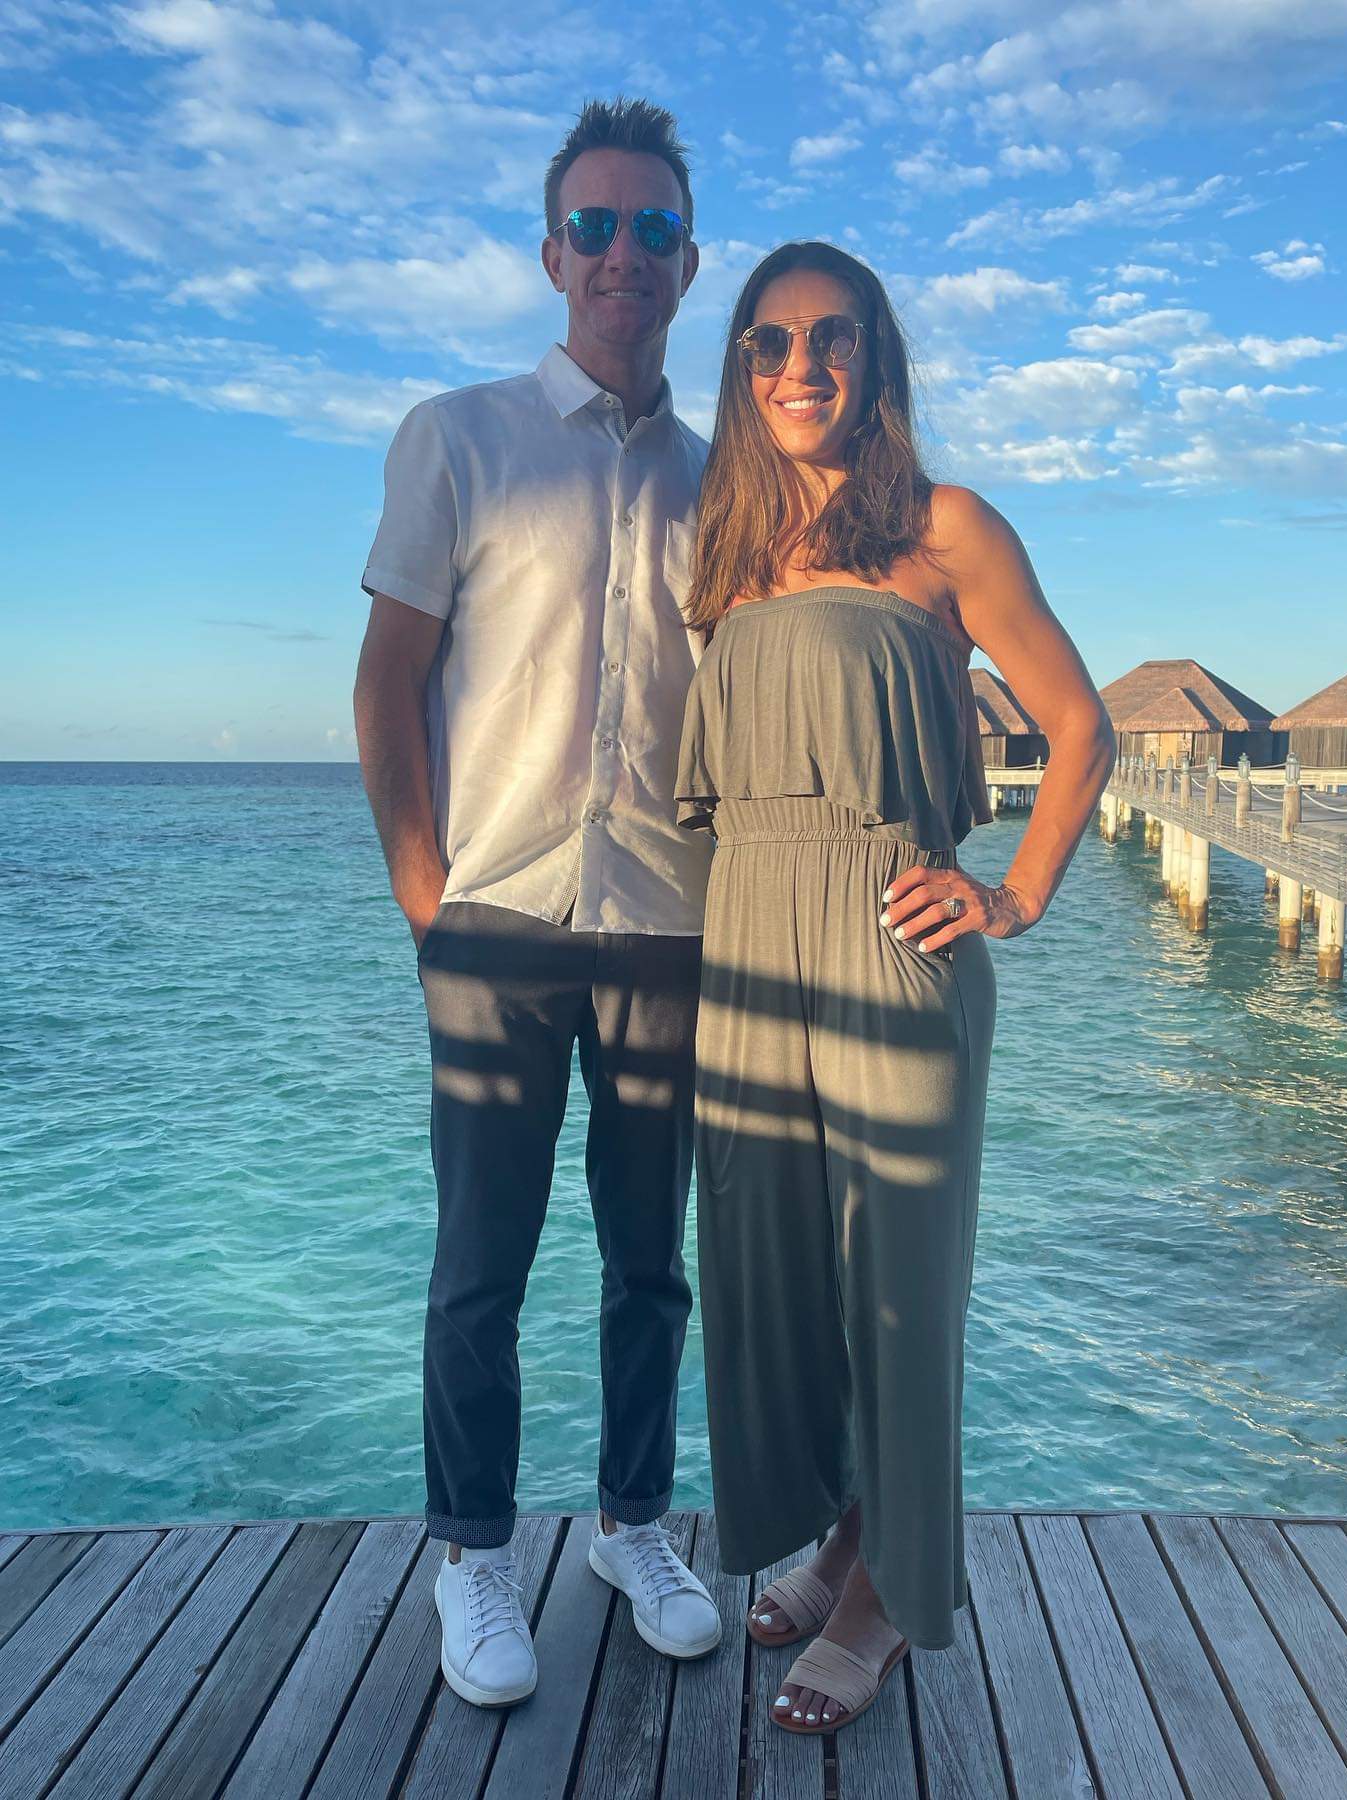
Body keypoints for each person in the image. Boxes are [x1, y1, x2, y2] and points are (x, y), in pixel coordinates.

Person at [674, 241, 1116, 1734]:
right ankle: (845, 1528)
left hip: (889, 932)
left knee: (900, 1290)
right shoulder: (724, 551)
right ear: (742, 367)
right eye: (771, 340)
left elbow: (1081, 726)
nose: (802, 364)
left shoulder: (944, 528)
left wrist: (1014, 894)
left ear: (877, 360)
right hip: (747, 944)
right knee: (775, 1269)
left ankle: (885, 1591)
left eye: (834, 336)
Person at [353, 96, 721, 1710]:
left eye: (654, 228)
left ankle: (635, 1528)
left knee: (651, 1264)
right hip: (495, 918)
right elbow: (387, 681)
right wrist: (423, 895)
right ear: (553, 252)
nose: (623, 253)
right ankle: (473, 1556)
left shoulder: (726, 486)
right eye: (596, 225)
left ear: (689, 263)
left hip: (668, 922)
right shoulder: (459, 436)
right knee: (479, 1269)